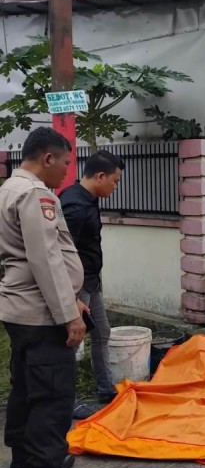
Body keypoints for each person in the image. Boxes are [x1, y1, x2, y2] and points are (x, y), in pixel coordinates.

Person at [0, 127, 103, 468]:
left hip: (21, 309)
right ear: (47, 158)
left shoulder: (9, 188)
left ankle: (23, 464)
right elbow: (46, 259)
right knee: (52, 395)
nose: (66, 171)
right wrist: (68, 314)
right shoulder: (34, 195)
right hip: (42, 315)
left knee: (26, 389)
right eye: (64, 162)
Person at [59, 150, 124, 419]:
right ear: (100, 176)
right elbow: (59, 253)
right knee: (72, 341)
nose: (115, 186)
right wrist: (70, 296)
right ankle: (68, 401)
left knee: (103, 332)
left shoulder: (86, 198)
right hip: (77, 285)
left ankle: (105, 389)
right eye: (115, 180)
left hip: (91, 281)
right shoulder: (74, 207)